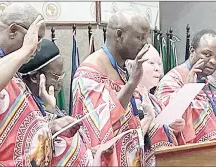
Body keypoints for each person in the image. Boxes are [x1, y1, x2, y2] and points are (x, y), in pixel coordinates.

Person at [0, 3, 77, 166]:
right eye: (36, 38)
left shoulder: (7, 66)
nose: (37, 46)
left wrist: (52, 125)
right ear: (13, 31)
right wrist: (25, 50)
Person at [71, 10, 152, 166]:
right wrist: (132, 83)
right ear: (119, 35)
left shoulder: (123, 67)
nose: (145, 44)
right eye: (140, 37)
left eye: (146, 38)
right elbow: (101, 128)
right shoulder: (89, 74)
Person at [154, 29, 216, 144]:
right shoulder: (172, 80)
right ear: (192, 51)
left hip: (214, 153)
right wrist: (187, 90)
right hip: (186, 156)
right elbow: (164, 124)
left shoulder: (207, 82)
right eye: (207, 54)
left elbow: (213, 123)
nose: (213, 61)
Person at [19, 39, 94, 166]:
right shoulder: (23, 106)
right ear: (34, 77)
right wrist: (50, 111)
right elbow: (37, 153)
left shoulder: (46, 99)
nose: (60, 82)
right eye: (55, 76)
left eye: (62, 76)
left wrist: (89, 152)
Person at [125, 44, 185, 166]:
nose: (158, 69)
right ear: (132, 66)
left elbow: (167, 130)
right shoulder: (126, 99)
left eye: (159, 64)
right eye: (151, 63)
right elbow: (128, 140)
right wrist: (151, 121)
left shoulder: (155, 100)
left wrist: (174, 128)